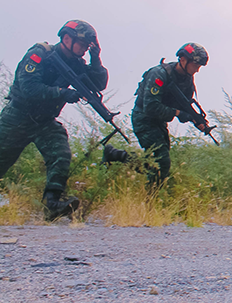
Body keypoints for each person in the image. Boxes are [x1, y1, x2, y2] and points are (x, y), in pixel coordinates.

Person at [0, 20, 107, 220]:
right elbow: (29, 88)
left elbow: (99, 84)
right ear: (67, 38)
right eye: (82, 45)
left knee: (61, 154)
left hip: (44, 122)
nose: (84, 50)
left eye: (87, 47)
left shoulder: (77, 64)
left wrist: (96, 58)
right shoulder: (40, 54)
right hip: (17, 117)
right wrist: (62, 92)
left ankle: (52, 204)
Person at [104, 43, 210, 186]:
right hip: (144, 118)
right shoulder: (159, 74)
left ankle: (116, 155)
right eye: (195, 64)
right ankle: (150, 202)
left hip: (159, 121)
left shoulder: (186, 78)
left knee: (156, 163)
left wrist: (195, 120)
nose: (197, 69)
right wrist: (177, 113)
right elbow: (151, 107)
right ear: (183, 59)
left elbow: (184, 105)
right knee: (161, 162)